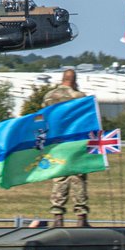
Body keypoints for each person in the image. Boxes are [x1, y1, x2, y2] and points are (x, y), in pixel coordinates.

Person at [43, 69, 90, 228]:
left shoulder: (49, 97)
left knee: (59, 176)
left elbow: (44, 118)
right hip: (75, 142)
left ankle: (58, 216)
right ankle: (81, 217)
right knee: (78, 178)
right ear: (74, 80)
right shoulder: (79, 97)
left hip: (56, 142)